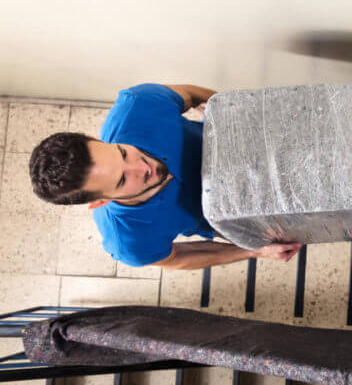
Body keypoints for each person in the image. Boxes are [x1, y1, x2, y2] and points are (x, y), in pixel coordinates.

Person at [29, 83, 302, 270]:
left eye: (124, 153)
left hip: (249, 144)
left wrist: (232, 112)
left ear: (94, 139)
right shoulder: (128, 241)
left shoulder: (137, 106)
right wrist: (254, 251)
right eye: (123, 180)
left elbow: (190, 94)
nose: (142, 167)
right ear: (100, 202)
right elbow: (177, 258)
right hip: (248, 215)